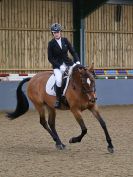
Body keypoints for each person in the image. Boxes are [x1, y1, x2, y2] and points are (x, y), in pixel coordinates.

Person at [48, 23, 80, 108]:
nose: (56, 34)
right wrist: (59, 66)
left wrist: (77, 61)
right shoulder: (51, 43)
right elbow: (50, 58)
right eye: (54, 32)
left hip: (68, 63)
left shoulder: (65, 40)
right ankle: (58, 100)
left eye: (57, 32)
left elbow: (73, 51)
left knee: (79, 73)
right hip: (58, 66)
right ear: (52, 33)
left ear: (60, 32)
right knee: (58, 80)